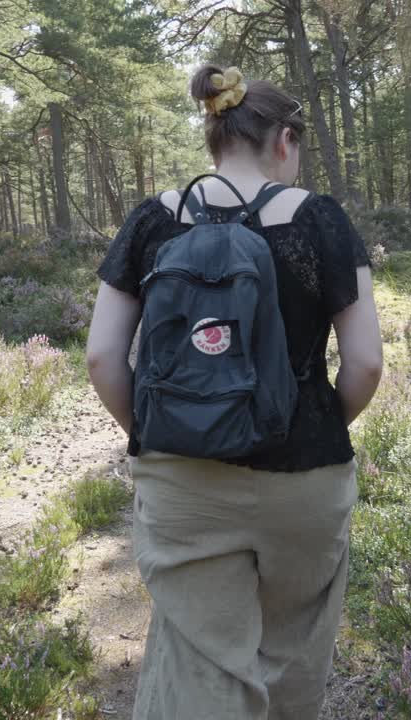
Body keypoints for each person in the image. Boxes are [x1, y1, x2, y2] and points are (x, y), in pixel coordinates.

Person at [84, 63, 383, 719]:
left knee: (201, 669)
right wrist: (320, 425)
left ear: (214, 138)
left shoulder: (153, 219)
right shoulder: (321, 220)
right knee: (291, 659)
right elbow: (364, 365)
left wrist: (158, 434)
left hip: (182, 481)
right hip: (303, 482)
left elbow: (104, 357)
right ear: (284, 141)